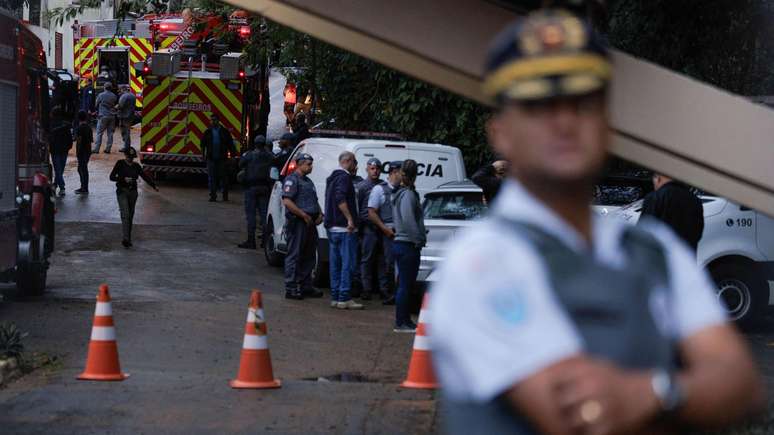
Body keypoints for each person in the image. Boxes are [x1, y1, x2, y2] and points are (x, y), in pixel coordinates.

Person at [429, 9, 764, 435]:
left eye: (583, 101)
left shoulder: (650, 249)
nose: (564, 120)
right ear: (501, 132)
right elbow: (579, 416)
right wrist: (685, 390)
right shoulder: (480, 262)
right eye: (539, 104)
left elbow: (742, 385)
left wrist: (650, 394)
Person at [324, 151, 364, 310]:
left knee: (335, 264)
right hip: (344, 228)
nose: (356, 166)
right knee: (348, 263)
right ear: (348, 161)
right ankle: (344, 297)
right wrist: (350, 219)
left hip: (332, 228)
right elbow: (340, 199)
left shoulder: (331, 178)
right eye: (355, 162)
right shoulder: (344, 178)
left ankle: (335, 296)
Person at [282, 153, 324, 300]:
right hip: (298, 222)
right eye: (308, 164)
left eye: (311, 164)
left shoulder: (309, 182)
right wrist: (303, 215)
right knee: (294, 255)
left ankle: (306, 285)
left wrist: (319, 214)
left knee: (309, 255)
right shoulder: (292, 180)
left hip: (310, 222)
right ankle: (291, 287)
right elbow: (287, 201)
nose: (311, 167)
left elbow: (314, 200)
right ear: (299, 164)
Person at [391, 159, 425, 332]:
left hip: (402, 243)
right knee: (405, 285)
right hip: (407, 245)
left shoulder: (401, 194)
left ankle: (404, 319)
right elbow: (409, 221)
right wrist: (418, 239)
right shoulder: (408, 195)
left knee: (404, 284)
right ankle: (401, 322)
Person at [357, 158, 396, 302]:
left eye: (378, 168)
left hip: (383, 227)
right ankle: (366, 288)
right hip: (368, 228)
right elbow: (360, 207)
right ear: (367, 169)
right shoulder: (362, 186)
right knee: (366, 259)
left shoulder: (383, 186)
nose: (375, 171)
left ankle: (383, 290)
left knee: (383, 260)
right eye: (372, 168)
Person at [639, 173, 705, 253]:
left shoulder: (655, 197)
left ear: (658, 178)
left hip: (658, 260)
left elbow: (642, 233)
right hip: (685, 258)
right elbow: (698, 234)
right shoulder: (695, 200)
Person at [109, 148, 158, 248]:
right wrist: (123, 179)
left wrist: (153, 185)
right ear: (125, 156)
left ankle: (128, 238)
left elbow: (144, 176)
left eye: (132, 158)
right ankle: (125, 238)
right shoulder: (120, 164)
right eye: (128, 157)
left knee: (130, 215)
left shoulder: (136, 166)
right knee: (125, 214)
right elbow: (112, 177)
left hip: (133, 193)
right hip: (122, 191)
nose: (130, 159)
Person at [238, 135, 275, 249]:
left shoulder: (249, 155)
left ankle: (251, 241)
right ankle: (265, 241)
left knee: (251, 215)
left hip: (251, 188)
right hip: (264, 188)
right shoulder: (270, 156)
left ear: (255, 143)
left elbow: (240, 164)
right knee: (264, 215)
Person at [201, 114, 235, 202]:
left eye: (214, 120)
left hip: (222, 159)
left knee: (223, 178)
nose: (212, 122)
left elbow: (230, 144)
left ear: (218, 121)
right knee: (212, 178)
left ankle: (225, 195)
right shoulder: (208, 132)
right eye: (211, 120)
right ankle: (213, 196)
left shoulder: (224, 132)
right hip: (211, 158)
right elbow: (203, 144)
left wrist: (232, 156)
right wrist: (203, 155)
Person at [49, 107, 72, 197]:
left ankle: (59, 186)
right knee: (60, 169)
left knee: (58, 169)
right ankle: (59, 186)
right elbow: (70, 138)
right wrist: (68, 147)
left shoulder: (51, 125)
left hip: (55, 150)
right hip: (64, 149)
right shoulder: (66, 124)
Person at [92, 82, 117, 153]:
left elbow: (96, 104)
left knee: (99, 133)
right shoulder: (114, 96)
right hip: (112, 116)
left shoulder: (101, 95)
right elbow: (114, 104)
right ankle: (108, 149)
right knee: (110, 133)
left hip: (103, 116)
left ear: (104, 87)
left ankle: (96, 149)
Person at [74, 110, 93, 194]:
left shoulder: (79, 128)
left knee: (82, 169)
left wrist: (78, 152)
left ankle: (84, 188)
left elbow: (79, 141)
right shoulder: (89, 127)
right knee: (82, 169)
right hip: (88, 150)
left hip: (82, 151)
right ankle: (84, 187)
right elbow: (91, 140)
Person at [116, 85, 136, 152]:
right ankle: (127, 146)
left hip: (124, 116)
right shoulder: (133, 96)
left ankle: (126, 147)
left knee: (125, 132)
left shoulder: (124, 96)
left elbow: (120, 106)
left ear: (123, 89)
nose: (119, 91)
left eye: (120, 89)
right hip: (130, 116)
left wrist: (115, 107)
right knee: (127, 132)